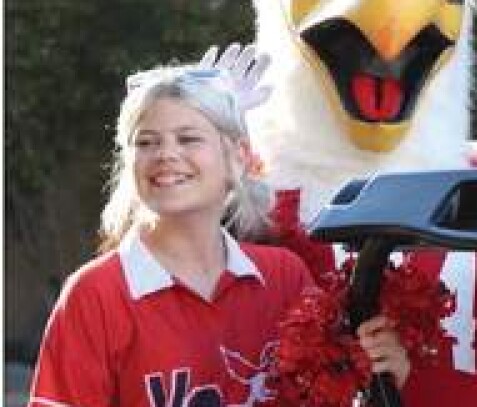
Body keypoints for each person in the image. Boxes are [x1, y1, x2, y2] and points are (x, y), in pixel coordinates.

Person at [28, 63, 410, 406]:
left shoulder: (284, 278)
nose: (165, 155)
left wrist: (378, 374)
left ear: (239, 157)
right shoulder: (96, 293)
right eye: (147, 142)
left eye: (188, 138)